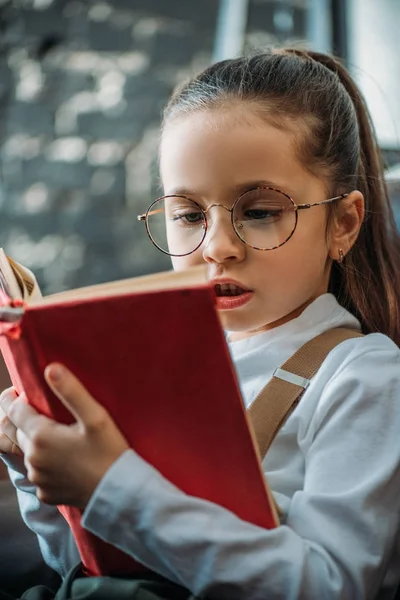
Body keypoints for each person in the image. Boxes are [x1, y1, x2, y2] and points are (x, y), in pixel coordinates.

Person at [1, 47, 400, 600]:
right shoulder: (156, 367)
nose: (218, 247)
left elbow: (327, 586)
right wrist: (37, 468)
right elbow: (91, 567)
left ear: (344, 223)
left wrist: (113, 488)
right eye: (187, 215)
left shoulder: (364, 376)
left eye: (261, 212)